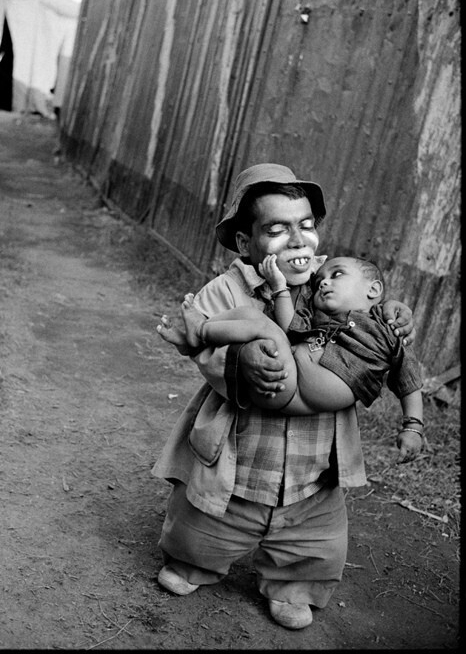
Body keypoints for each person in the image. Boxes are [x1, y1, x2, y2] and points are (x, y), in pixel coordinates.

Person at [151, 163, 416, 631]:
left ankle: (293, 583)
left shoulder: (322, 279)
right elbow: (205, 350)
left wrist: (393, 309)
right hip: (243, 446)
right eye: (277, 230)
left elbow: (363, 302)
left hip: (313, 455)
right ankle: (195, 561)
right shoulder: (224, 290)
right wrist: (240, 359)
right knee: (206, 522)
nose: (297, 241)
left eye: (306, 225)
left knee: (314, 534)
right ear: (244, 242)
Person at [158, 254, 423, 465]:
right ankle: (199, 334)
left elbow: (409, 380)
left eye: (337, 274)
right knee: (255, 319)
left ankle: (198, 335)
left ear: (373, 289)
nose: (324, 283)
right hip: (281, 376)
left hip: (291, 394)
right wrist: (279, 288)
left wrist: (413, 427)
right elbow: (289, 327)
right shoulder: (317, 316)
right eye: (319, 282)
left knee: (262, 326)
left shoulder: (390, 331)